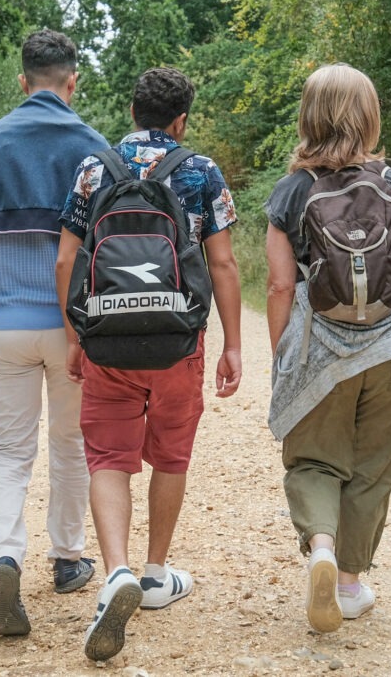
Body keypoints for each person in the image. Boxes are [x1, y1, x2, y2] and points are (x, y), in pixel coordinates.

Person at [55, 67, 242, 662]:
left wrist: (76, 336)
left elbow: (66, 261)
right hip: (177, 342)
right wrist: (233, 345)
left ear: (133, 111)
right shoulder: (201, 170)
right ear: (181, 120)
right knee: (171, 453)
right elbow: (223, 263)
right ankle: (156, 573)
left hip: (107, 339)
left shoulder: (95, 168)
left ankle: (116, 572)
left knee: (108, 457)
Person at [0, 29, 109, 637]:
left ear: (22, 81)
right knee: (71, 443)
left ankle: (5, 559)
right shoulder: (93, 147)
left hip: (2, 323)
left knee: (9, 450)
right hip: (71, 327)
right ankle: (67, 560)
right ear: (72, 82)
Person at [264, 63, 391, 634]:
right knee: (373, 467)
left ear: (308, 117)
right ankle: (349, 584)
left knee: (314, 458)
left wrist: (284, 354)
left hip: (320, 348)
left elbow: (280, 286)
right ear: (370, 117)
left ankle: (320, 547)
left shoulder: (291, 192)